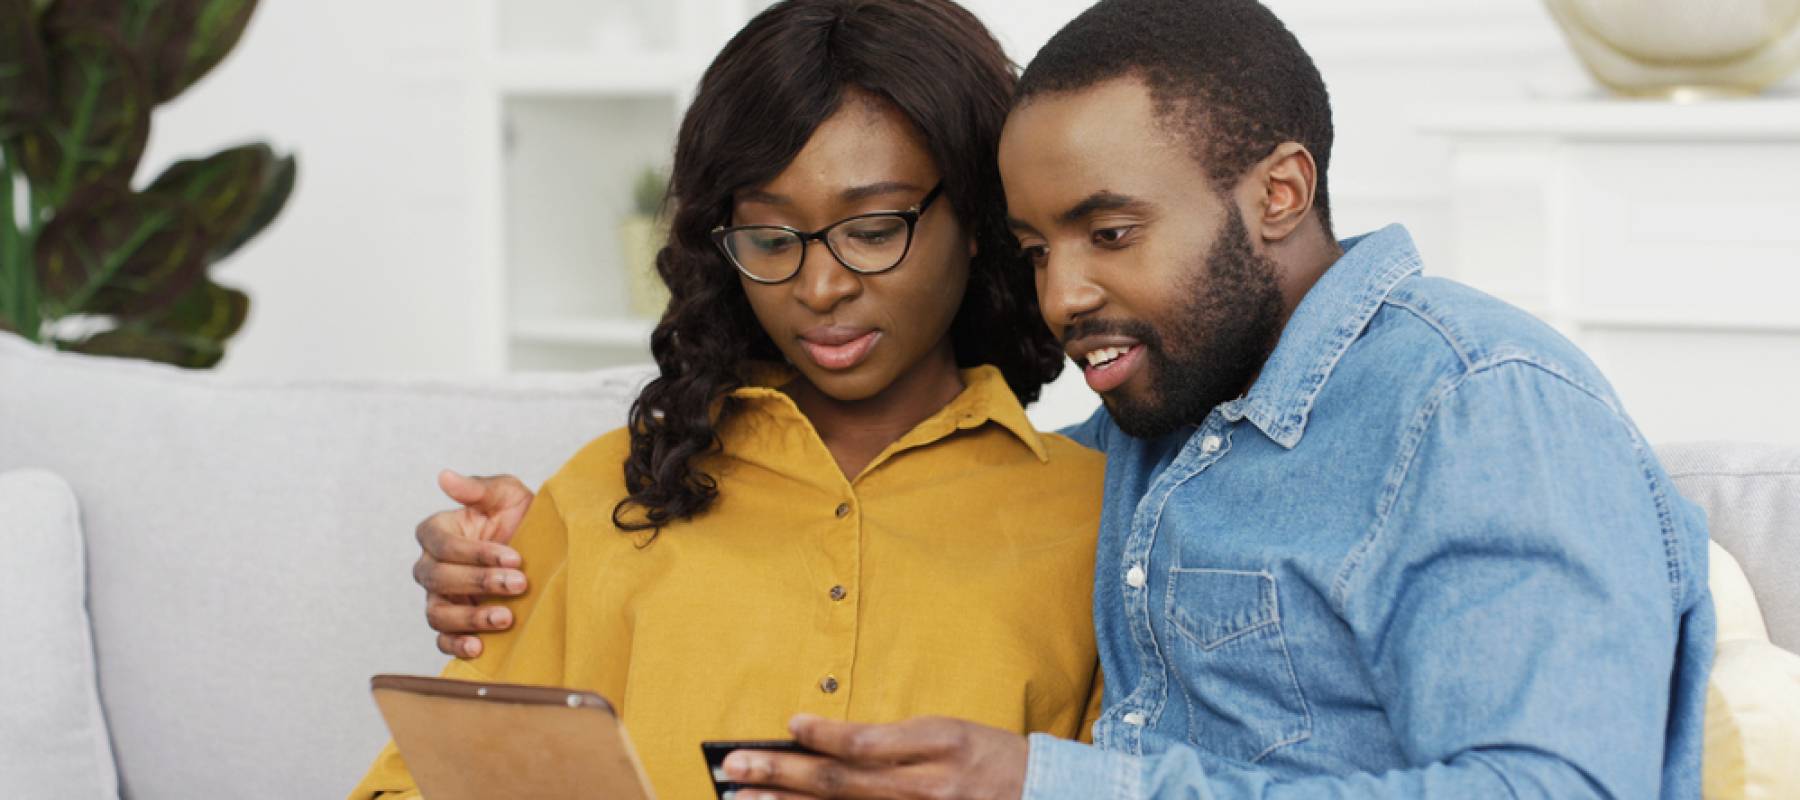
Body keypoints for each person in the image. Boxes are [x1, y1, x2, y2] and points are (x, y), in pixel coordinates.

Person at [416, 0, 1716, 798]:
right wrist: (524, 550)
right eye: (1041, 249)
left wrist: (1040, 788)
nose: (1063, 294)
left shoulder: (1482, 404)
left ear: (1278, 191)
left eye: (1108, 231)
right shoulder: (1146, 440)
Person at [349, 2, 1109, 798]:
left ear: (981, 216)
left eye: (875, 229)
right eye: (772, 241)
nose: (821, 287)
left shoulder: (1102, 523)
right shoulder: (609, 495)